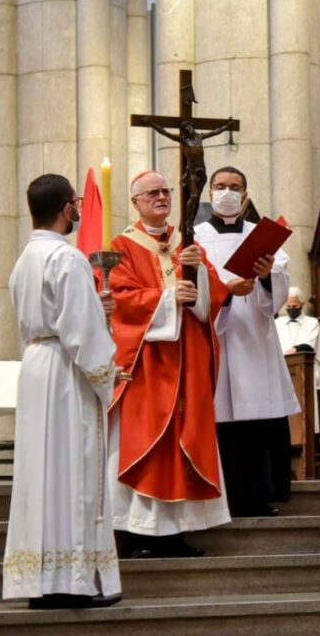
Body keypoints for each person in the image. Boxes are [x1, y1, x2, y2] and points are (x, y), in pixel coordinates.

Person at [3, 174, 122, 610]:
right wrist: (108, 373)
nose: (78, 209)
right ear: (66, 209)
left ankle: (41, 579)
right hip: (66, 374)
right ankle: (72, 581)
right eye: (76, 202)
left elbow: (49, 317)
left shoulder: (25, 260)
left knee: (40, 477)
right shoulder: (66, 258)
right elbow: (80, 336)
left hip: (36, 367)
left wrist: (93, 306)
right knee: (72, 473)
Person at [106, 170, 232, 558]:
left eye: (165, 192)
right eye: (152, 193)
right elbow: (119, 298)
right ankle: (140, 533)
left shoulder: (187, 242)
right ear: (136, 202)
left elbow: (213, 298)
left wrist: (200, 276)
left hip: (187, 361)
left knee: (183, 442)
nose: (161, 198)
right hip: (148, 363)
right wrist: (167, 297)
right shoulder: (122, 245)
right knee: (148, 443)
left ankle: (176, 532)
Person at [194, 166, 300, 518]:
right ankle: (223, 495)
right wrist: (225, 293)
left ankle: (259, 494)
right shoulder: (194, 238)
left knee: (257, 419)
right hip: (217, 337)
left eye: (235, 187)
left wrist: (268, 276)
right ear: (209, 194)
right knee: (222, 417)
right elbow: (191, 289)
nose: (227, 193)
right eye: (220, 187)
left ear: (246, 194)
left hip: (256, 337)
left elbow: (278, 295)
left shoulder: (262, 236)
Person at [275, 286, 320, 432]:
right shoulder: (277, 323)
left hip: (306, 369)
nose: (291, 309)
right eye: (288, 306)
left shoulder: (311, 322)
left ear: (302, 305)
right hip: (284, 372)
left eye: (295, 306)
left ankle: (310, 438)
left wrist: (294, 350)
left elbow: (309, 344)